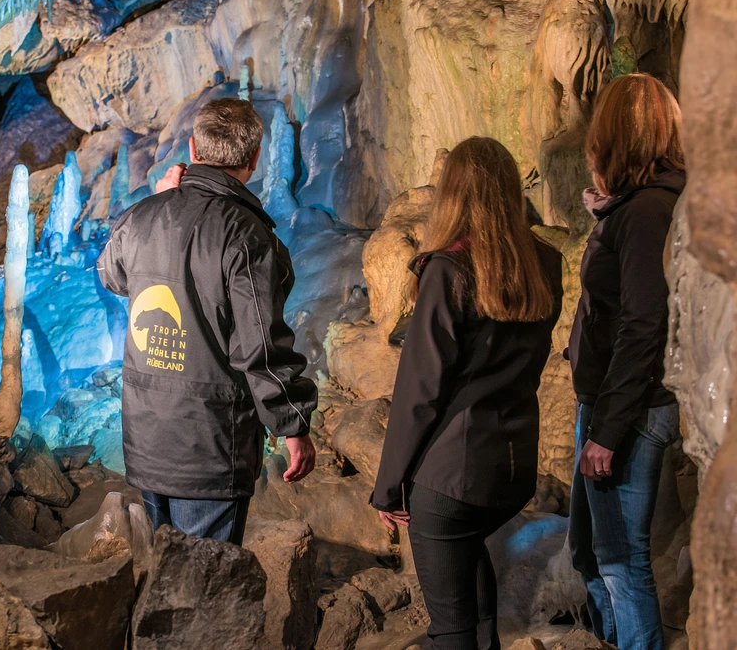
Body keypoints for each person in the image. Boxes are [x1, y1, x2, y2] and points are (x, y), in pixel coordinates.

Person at [97, 97, 317, 546]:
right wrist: (291, 424)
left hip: (147, 440)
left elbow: (112, 275)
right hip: (209, 448)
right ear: (254, 160)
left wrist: (158, 204)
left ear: (193, 149)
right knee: (206, 585)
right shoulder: (248, 236)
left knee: (166, 571)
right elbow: (261, 346)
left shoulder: (142, 217)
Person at [371, 137, 563, 650]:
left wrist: (389, 486)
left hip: (451, 477)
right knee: (477, 611)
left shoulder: (448, 270)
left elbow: (420, 391)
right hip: (510, 468)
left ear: (453, 194)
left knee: (450, 629)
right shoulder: (545, 263)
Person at [568, 72, 685, 650]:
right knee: (591, 552)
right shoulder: (640, 207)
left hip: (628, 411)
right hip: (611, 404)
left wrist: (607, 431)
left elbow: (645, 324)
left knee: (620, 562)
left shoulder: (645, 215)